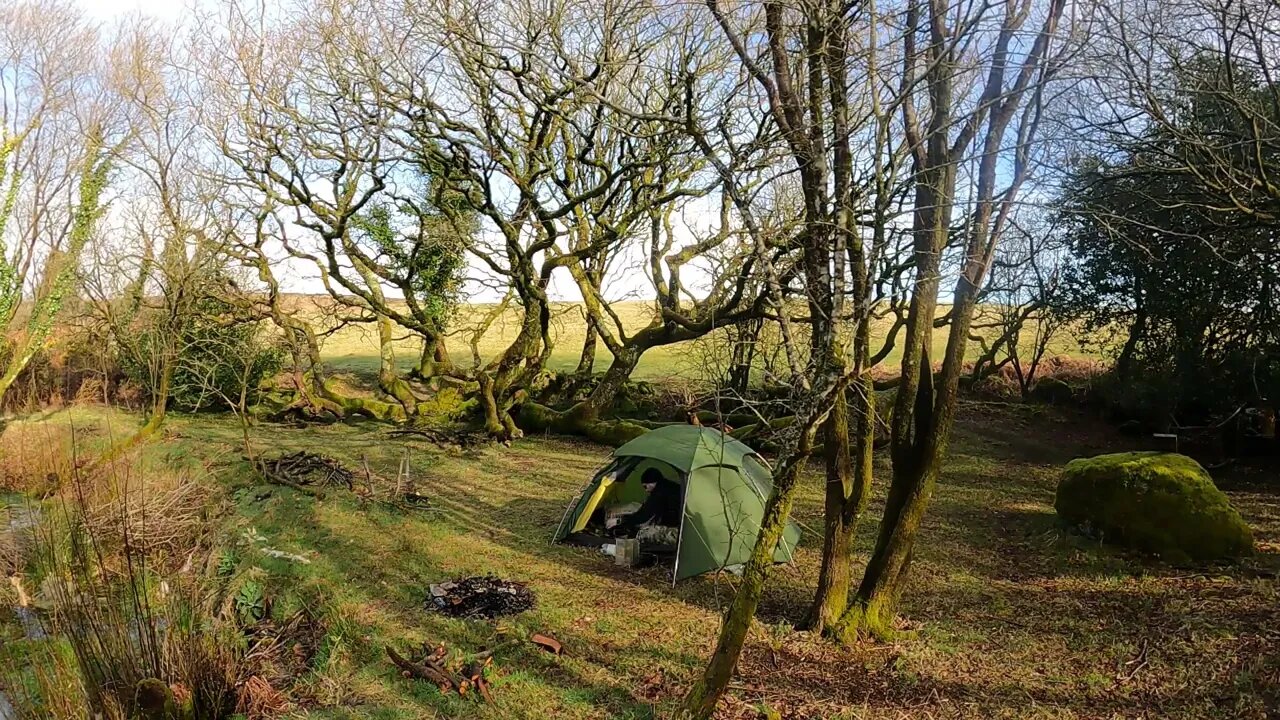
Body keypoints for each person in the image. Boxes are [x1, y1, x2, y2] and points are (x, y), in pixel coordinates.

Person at [611, 468, 681, 541]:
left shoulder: (659, 493)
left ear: (652, 483)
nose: (646, 490)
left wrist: (621, 521)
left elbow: (643, 516)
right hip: (682, 526)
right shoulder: (669, 485)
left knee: (642, 534)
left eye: (645, 486)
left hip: (675, 530)